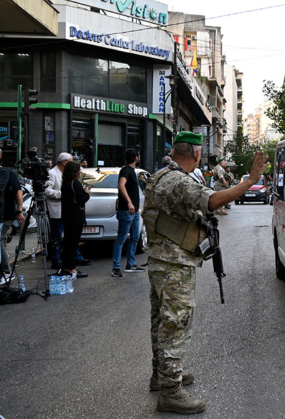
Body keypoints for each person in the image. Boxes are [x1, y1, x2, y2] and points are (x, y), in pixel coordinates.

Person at [143, 131, 268, 414]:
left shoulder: (161, 175)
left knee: (161, 321)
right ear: (196, 154)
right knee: (175, 324)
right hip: (174, 264)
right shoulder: (178, 181)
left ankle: (161, 376)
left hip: (161, 260)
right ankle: (170, 391)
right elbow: (212, 201)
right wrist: (249, 181)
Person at [111, 149, 144, 278]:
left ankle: (131, 264)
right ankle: (116, 267)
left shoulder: (132, 171)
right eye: (139, 155)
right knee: (121, 239)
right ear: (136, 157)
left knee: (135, 237)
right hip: (126, 210)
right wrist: (129, 202)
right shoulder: (125, 170)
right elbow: (121, 185)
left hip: (134, 211)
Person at [60, 161, 90, 278]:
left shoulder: (66, 183)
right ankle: (72, 269)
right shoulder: (75, 183)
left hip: (67, 216)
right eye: (79, 169)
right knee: (73, 244)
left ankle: (67, 266)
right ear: (75, 171)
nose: (80, 172)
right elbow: (81, 199)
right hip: (75, 217)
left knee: (68, 243)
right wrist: (87, 193)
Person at [0, 151, 24, 282]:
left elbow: (18, 191)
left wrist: (19, 211)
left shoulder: (7, 173)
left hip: (6, 214)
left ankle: (6, 272)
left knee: (0, 241)